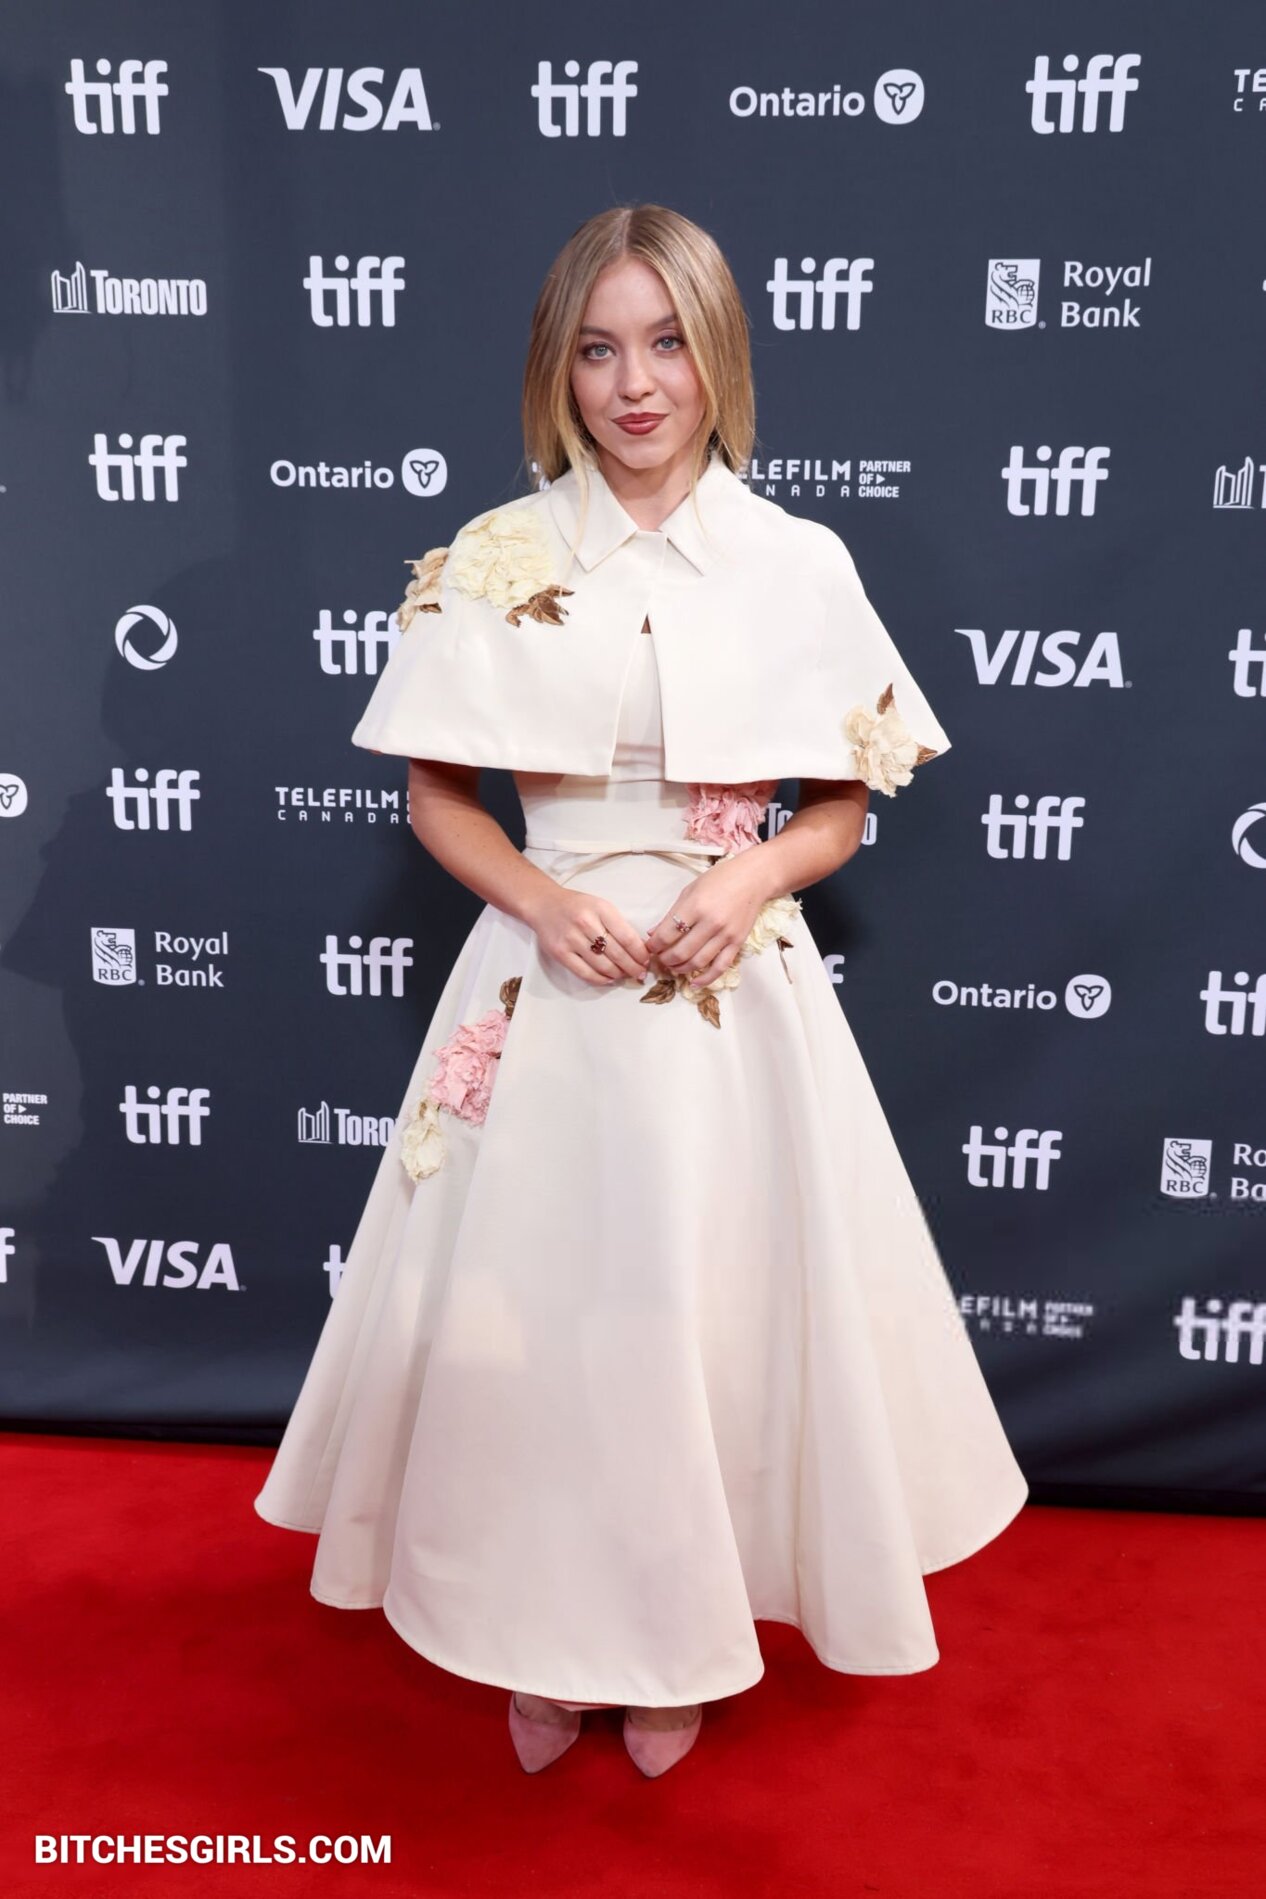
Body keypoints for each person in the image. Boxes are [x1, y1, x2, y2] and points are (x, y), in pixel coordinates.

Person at [253, 202, 1029, 1778]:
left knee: (704, 1321)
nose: (634, 384)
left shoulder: (797, 562)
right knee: (535, 1328)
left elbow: (837, 807)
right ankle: (540, 1634)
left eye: (667, 344)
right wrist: (542, 900)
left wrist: (745, 881)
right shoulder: (498, 554)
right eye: (598, 349)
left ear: (716, 353)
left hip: (729, 1001)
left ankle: (677, 1637)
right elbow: (438, 795)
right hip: (542, 990)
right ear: (559, 367)